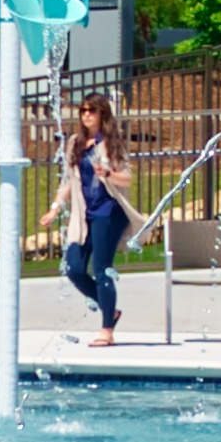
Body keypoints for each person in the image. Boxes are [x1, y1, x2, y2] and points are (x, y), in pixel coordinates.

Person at [54, 95, 131, 347]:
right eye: (83, 110)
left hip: (108, 213)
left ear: (102, 115)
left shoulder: (111, 143)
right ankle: (110, 310)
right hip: (83, 215)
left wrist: (108, 173)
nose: (86, 115)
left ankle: (107, 330)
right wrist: (55, 208)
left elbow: (127, 179)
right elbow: (68, 181)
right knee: (73, 268)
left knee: (101, 270)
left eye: (92, 111)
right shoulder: (75, 143)